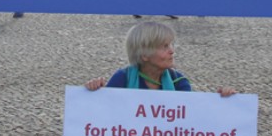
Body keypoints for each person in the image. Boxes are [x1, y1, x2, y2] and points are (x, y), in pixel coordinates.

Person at [86, 21, 235, 96]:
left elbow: (191, 117)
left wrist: (221, 100)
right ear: (144, 55)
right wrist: (95, 91)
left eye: (170, 45)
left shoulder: (178, 81)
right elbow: (105, 115)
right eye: (164, 46)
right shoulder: (122, 79)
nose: (172, 51)